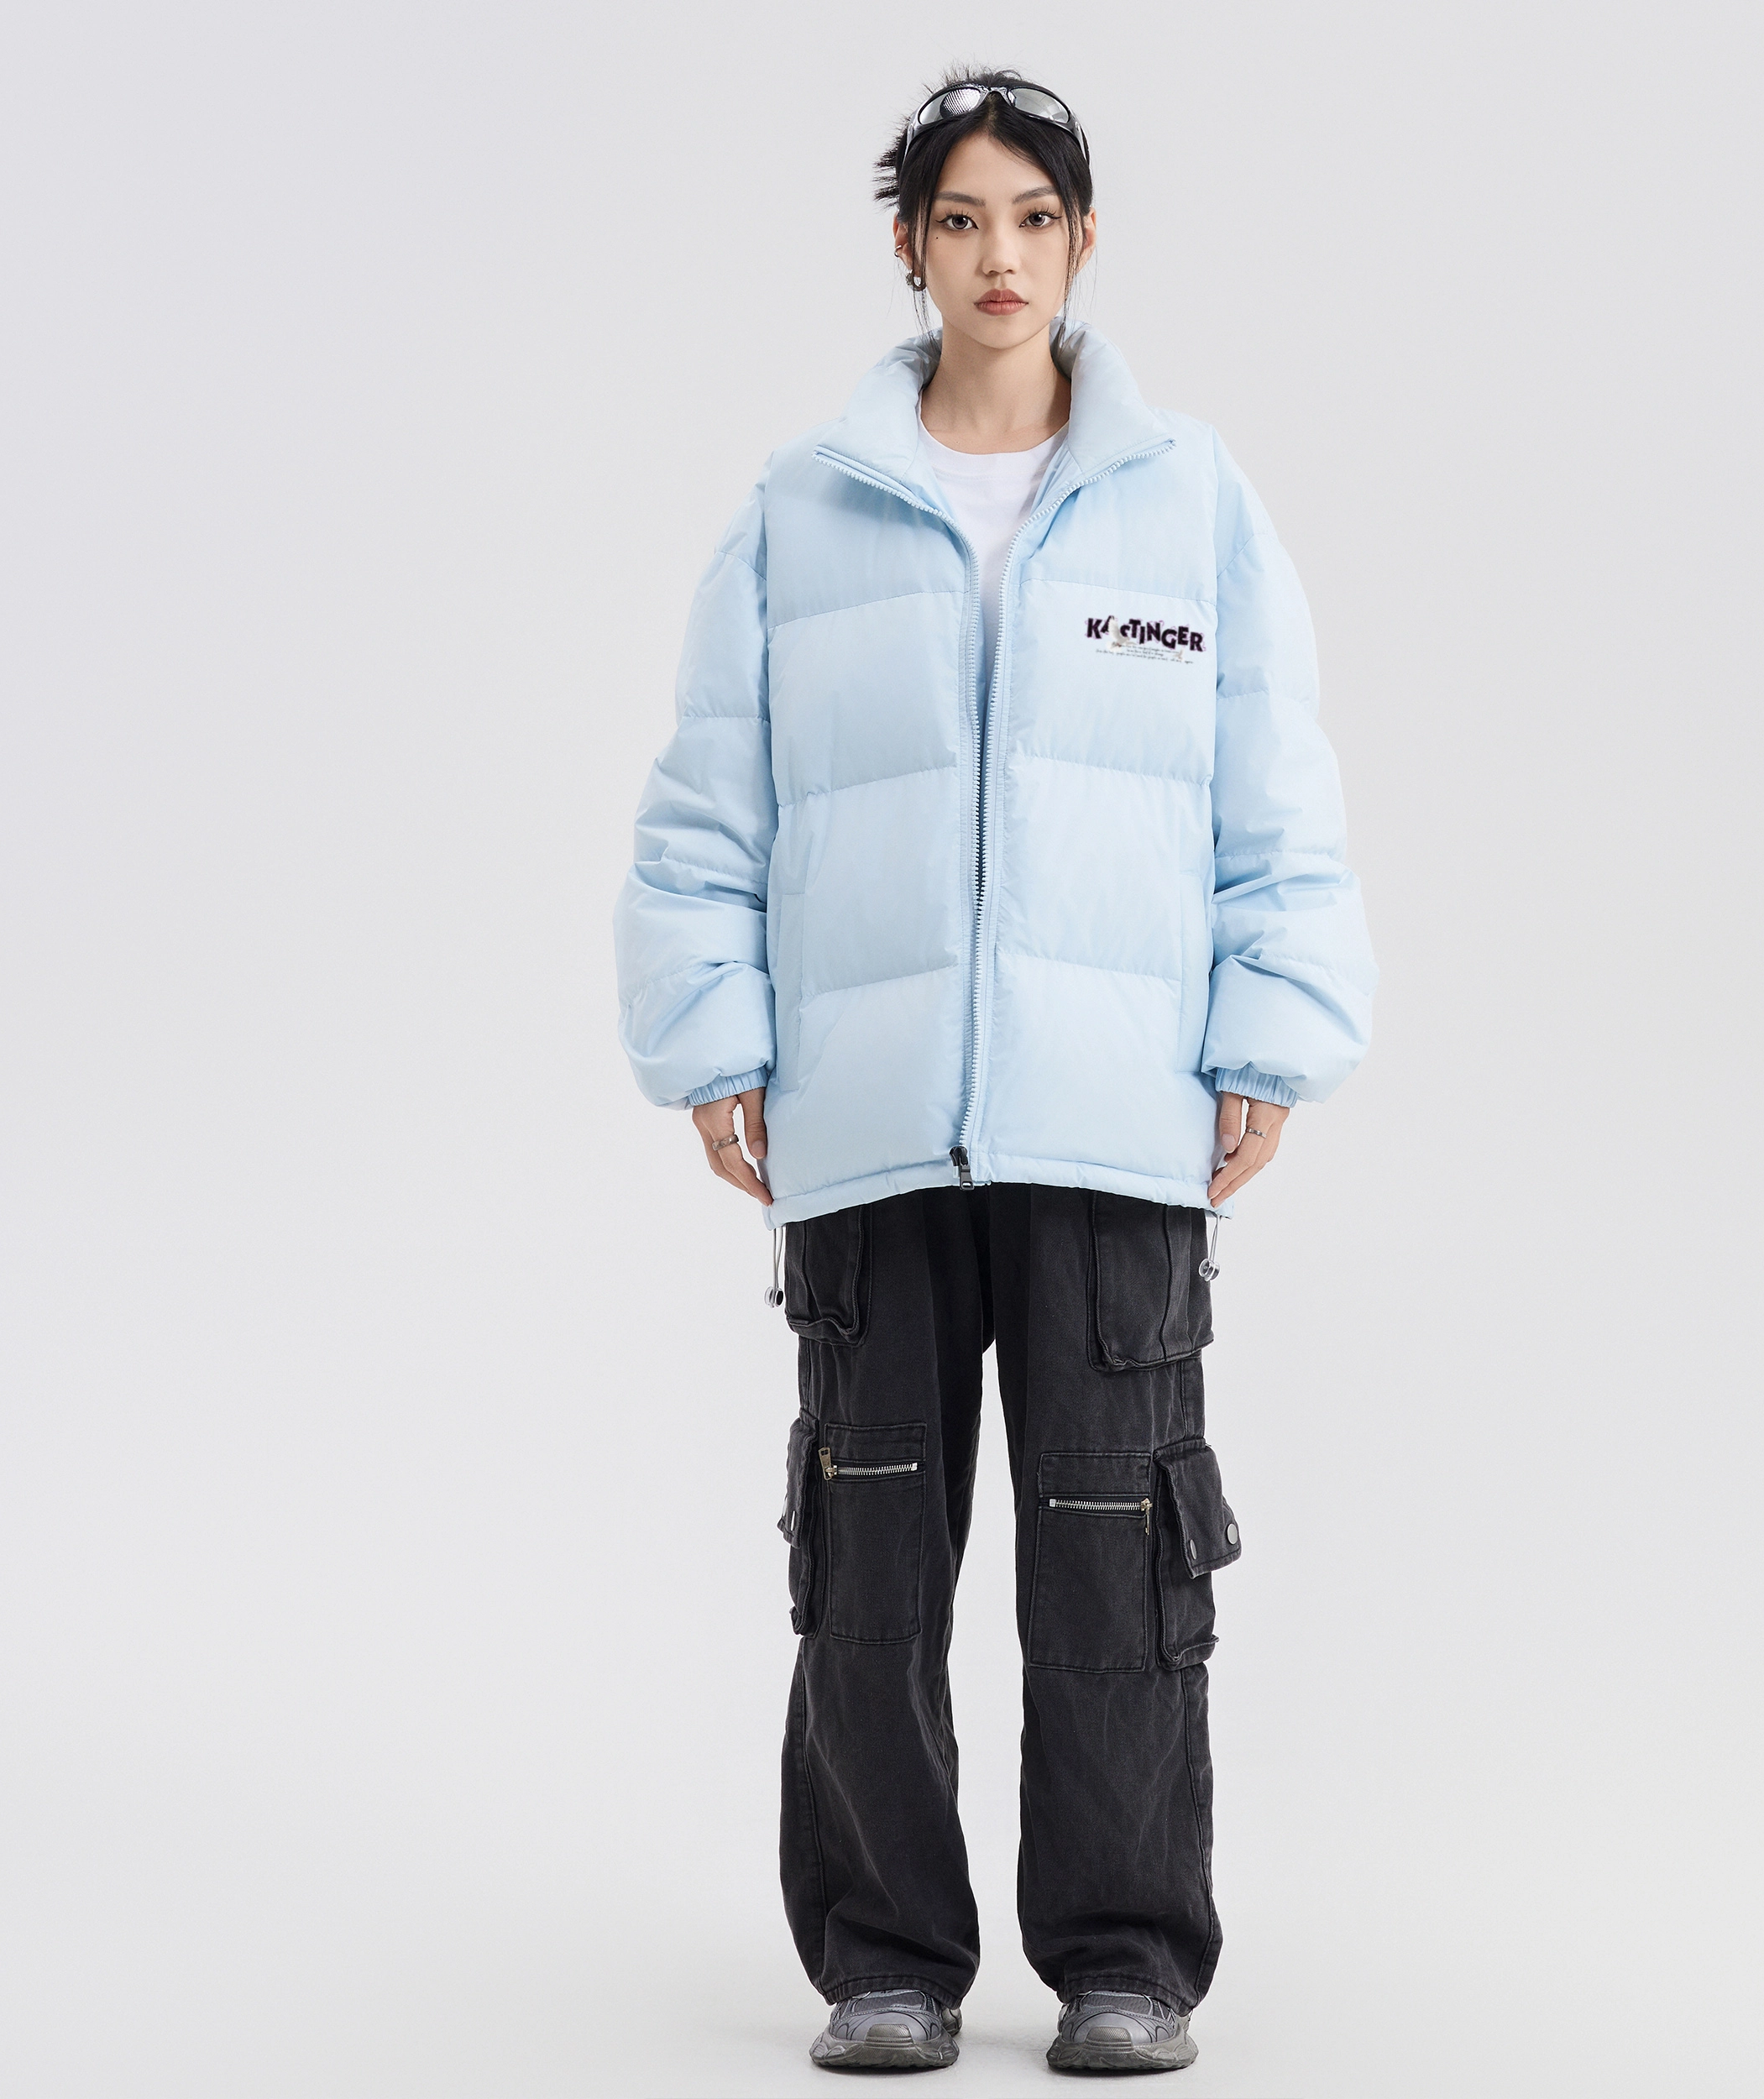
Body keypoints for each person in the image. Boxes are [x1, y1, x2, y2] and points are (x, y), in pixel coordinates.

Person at [615, 69, 1375, 2075]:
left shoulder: (1186, 499)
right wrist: (713, 1034)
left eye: (1032, 217)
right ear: (909, 247)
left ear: (1082, 241)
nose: (998, 256)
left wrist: (1266, 1029)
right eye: (959, 219)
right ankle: (885, 1953)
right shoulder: (799, 505)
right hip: (867, 1118)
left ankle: (1123, 1955)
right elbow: (707, 803)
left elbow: (1272, 798)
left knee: (1118, 1552)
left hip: (1109, 1117)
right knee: (865, 1552)